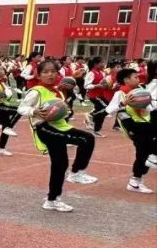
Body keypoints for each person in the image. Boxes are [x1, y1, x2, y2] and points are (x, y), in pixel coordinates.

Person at [18, 59, 97, 212]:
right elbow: (22, 108)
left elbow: (61, 111)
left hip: (60, 127)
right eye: (46, 72)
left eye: (53, 71)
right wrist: (33, 111)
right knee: (84, 140)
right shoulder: (36, 91)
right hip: (44, 128)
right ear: (38, 75)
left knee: (61, 164)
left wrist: (64, 109)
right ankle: (76, 173)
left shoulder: (57, 91)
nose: (50, 74)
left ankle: (52, 199)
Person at [104, 66, 156, 194]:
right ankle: (150, 161)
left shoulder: (141, 91)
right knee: (145, 152)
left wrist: (149, 103)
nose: (139, 79)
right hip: (131, 125)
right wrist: (123, 103)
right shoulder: (120, 93)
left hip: (144, 123)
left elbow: (151, 108)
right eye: (135, 77)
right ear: (126, 80)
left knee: (143, 153)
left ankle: (136, 182)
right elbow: (108, 110)